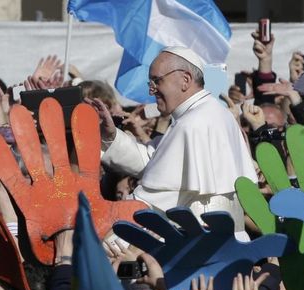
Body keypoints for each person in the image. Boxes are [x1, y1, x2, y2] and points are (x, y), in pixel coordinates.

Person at [99, 46, 257, 238]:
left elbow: (153, 197)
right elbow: (154, 160)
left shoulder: (193, 122)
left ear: (185, 80)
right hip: (223, 241)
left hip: (201, 245)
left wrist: (110, 235)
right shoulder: (209, 113)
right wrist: (111, 136)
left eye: (157, 81)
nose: (151, 89)